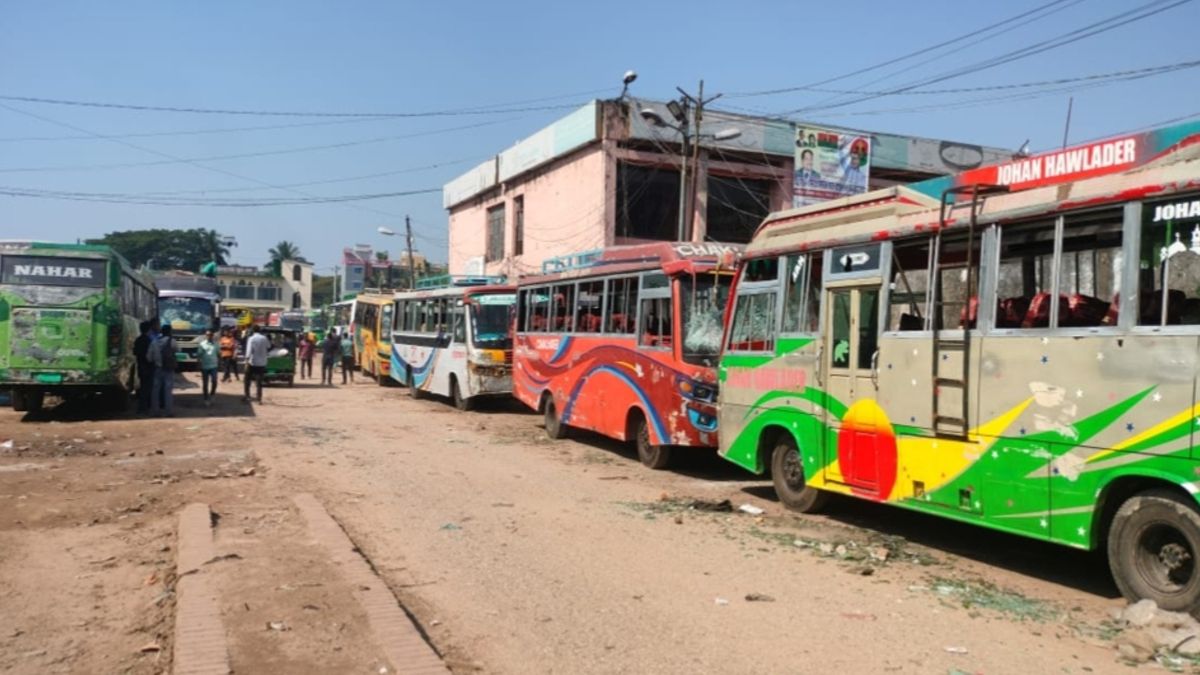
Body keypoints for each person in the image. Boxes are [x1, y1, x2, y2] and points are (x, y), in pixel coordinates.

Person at [150, 325, 177, 417]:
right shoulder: (172, 341)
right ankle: (168, 412)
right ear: (170, 332)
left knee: (155, 391)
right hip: (169, 369)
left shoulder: (154, 341)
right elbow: (177, 350)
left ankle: (155, 412)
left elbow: (149, 357)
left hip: (157, 368)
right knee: (168, 390)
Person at [133, 320, 155, 414]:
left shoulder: (138, 339)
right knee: (147, 388)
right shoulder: (149, 340)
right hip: (148, 367)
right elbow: (150, 356)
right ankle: (144, 408)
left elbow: (135, 352)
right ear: (148, 329)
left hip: (140, 366)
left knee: (142, 387)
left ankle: (142, 407)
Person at [243, 324, 270, 403]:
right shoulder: (264, 338)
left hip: (253, 362)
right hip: (262, 363)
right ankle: (259, 398)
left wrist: (246, 362)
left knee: (247, 380)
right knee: (259, 382)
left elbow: (248, 351)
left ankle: (247, 396)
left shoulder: (251, 338)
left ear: (253, 331)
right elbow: (269, 346)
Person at [197, 329, 219, 407]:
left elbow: (218, 354)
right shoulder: (202, 344)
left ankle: (212, 394)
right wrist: (199, 364)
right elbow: (199, 355)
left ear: (212, 336)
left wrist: (220, 363)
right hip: (205, 366)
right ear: (205, 336)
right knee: (205, 384)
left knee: (214, 381)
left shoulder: (216, 344)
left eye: (210, 335)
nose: (208, 336)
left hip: (214, 366)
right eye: (207, 335)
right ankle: (206, 399)